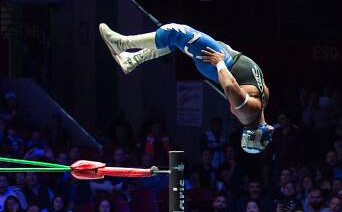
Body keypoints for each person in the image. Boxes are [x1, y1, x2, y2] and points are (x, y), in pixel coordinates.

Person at [99, 22, 272, 153]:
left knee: (175, 32)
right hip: (227, 57)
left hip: (220, 63)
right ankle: (133, 60)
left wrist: (220, 63)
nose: (271, 133)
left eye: (267, 137)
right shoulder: (259, 110)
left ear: (257, 133)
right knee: (176, 42)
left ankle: (122, 44)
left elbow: (230, 87)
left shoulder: (248, 112)